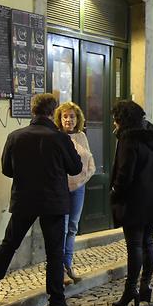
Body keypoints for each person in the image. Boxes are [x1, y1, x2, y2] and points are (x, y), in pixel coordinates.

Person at [0, 93, 84, 306]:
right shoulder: (60, 139)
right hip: (53, 202)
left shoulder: (15, 136)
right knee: (54, 254)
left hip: (24, 200)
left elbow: (7, 169)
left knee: (9, 244)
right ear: (53, 113)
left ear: (33, 111)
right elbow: (75, 168)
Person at [109, 100, 153, 306]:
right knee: (148, 242)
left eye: (116, 118)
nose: (114, 122)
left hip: (134, 200)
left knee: (135, 245)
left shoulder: (129, 139)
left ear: (123, 119)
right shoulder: (149, 137)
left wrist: (115, 194)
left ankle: (130, 290)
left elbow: (125, 173)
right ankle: (145, 287)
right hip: (151, 198)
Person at [54, 101, 96, 284]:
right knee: (61, 228)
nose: (68, 120)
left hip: (79, 187)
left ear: (77, 119)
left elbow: (89, 159)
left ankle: (68, 264)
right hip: (61, 188)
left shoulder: (81, 136)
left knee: (72, 227)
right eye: (65, 116)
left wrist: (85, 176)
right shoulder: (56, 136)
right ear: (59, 118)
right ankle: (60, 269)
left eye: (72, 116)